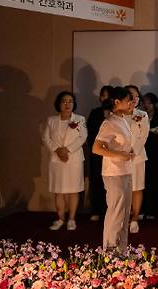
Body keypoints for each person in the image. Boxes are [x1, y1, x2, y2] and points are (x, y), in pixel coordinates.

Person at [92, 87, 134, 252]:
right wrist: (119, 155)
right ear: (117, 102)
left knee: (124, 213)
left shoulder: (123, 120)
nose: (132, 103)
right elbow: (96, 148)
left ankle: (121, 251)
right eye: (128, 100)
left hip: (126, 171)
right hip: (113, 172)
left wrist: (127, 154)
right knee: (115, 212)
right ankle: (109, 252)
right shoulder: (109, 122)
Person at [43, 91, 87, 231]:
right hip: (57, 160)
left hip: (73, 159)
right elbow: (46, 138)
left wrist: (67, 150)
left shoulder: (80, 119)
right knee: (59, 191)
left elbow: (82, 137)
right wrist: (58, 150)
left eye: (70, 101)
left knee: (74, 190)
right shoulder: (51, 120)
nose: (67, 104)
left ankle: (72, 219)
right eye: (64, 101)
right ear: (58, 104)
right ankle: (61, 218)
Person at [124, 85, 149, 233]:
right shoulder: (117, 115)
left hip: (137, 157)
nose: (134, 98)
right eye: (130, 95)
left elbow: (143, 135)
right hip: (120, 158)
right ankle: (124, 217)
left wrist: (134, 150)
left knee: (136, 187)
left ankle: (134, 218)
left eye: (136, 96)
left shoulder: (143, 115)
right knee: (122, 189)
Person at [87, 85, 113, 221]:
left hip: (113, 154)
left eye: (108, 96)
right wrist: (99, 148)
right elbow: (90, 134)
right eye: (103, 95)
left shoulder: (116, 113)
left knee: (110, 183)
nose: (105, 98)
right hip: (97, 154)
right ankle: (96, 209)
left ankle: (110, 210)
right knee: (96, 181)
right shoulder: (95, 113)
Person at [142, 93, 158, 220]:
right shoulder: (139, 117)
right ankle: (142, 210)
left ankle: (153, 211)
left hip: (155, 154)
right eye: (144, 103)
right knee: (142, 183)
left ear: (154, 104)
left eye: (149, 103)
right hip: (142, 154)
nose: (146, 105)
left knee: (154, 182)